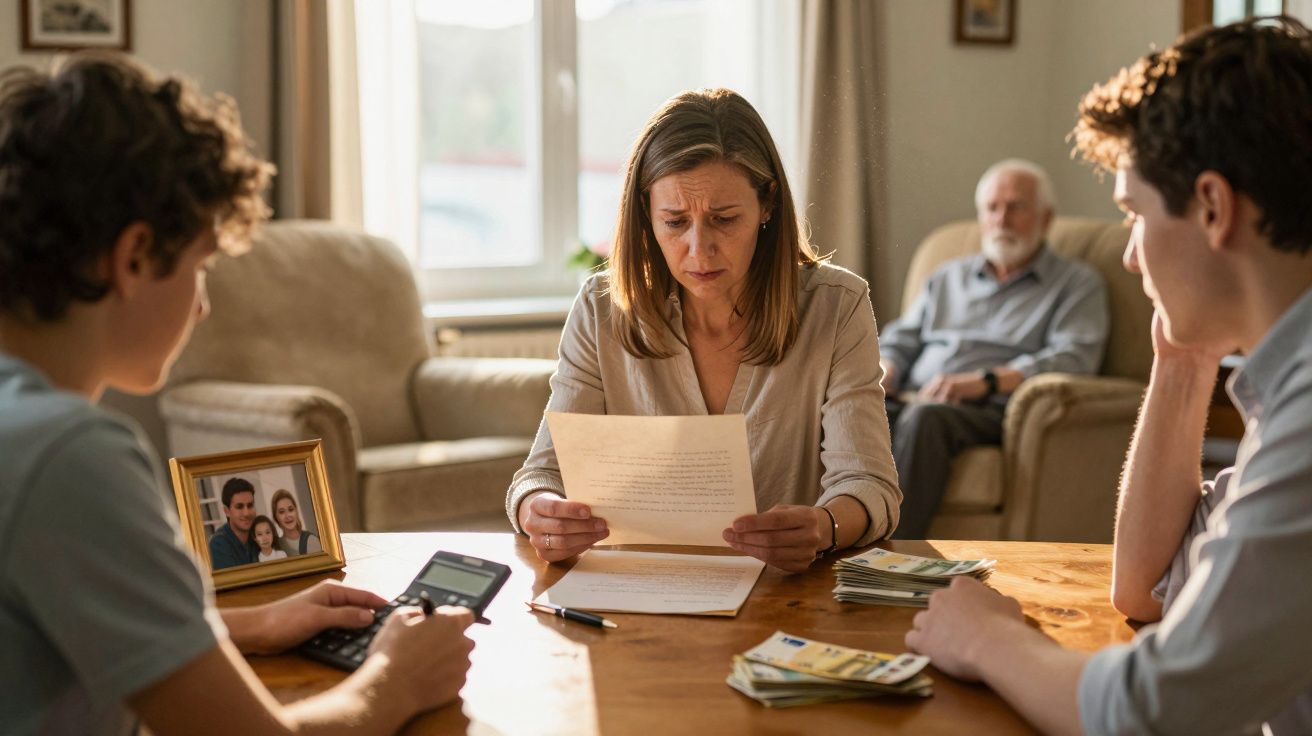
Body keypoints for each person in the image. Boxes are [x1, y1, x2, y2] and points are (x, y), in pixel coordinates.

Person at [0, 53, 473, 735]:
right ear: (134, 257)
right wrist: (395, 677)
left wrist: (246, 624)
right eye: (202, 265)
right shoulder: (68, 456)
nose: (202, 307)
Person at [905, 17, 1312, 735]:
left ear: (1213, 208)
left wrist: (987, 638)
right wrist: (1181, 360)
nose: (1129, 257)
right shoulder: (1285, 395)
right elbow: (1150, 587)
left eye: (1133, 215)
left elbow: (1156, 713)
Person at [506, 88, 901, 572]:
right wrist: (539, 512)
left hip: (782, 596)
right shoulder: (600, 309)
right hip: (637, 589)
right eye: (674, 222)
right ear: (646, 216)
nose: (699, 250)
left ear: (768, 205)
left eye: (724, 219)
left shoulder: (837, 307)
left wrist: (824, 526)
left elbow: (869, 484)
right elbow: (542, 474)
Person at [878, 159, 1109, 538]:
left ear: (1046, 218)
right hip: (915, 394)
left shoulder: (1077, 284)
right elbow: (902, 337)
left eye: (1016, 207)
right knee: (851, 409)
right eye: (993, 208)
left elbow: (1075, 356)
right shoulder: (947, 276)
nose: (1002, 219)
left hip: (992, 409)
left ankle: (890, 552)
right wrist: (885, 369)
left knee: (927, 418)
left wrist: (985, 381)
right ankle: (825, 539)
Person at [207, 477, 259, 569]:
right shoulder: (218, 544)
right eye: (239, 507)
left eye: (250, 505)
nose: (246, 513)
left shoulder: (258, 533)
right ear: (227, 511)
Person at [271, 487, 322, 556]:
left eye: (291, 509)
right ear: (276, 517)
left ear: (296, 511)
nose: (287, 515)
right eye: (281, 512)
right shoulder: (276, 546)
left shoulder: (311, 540)